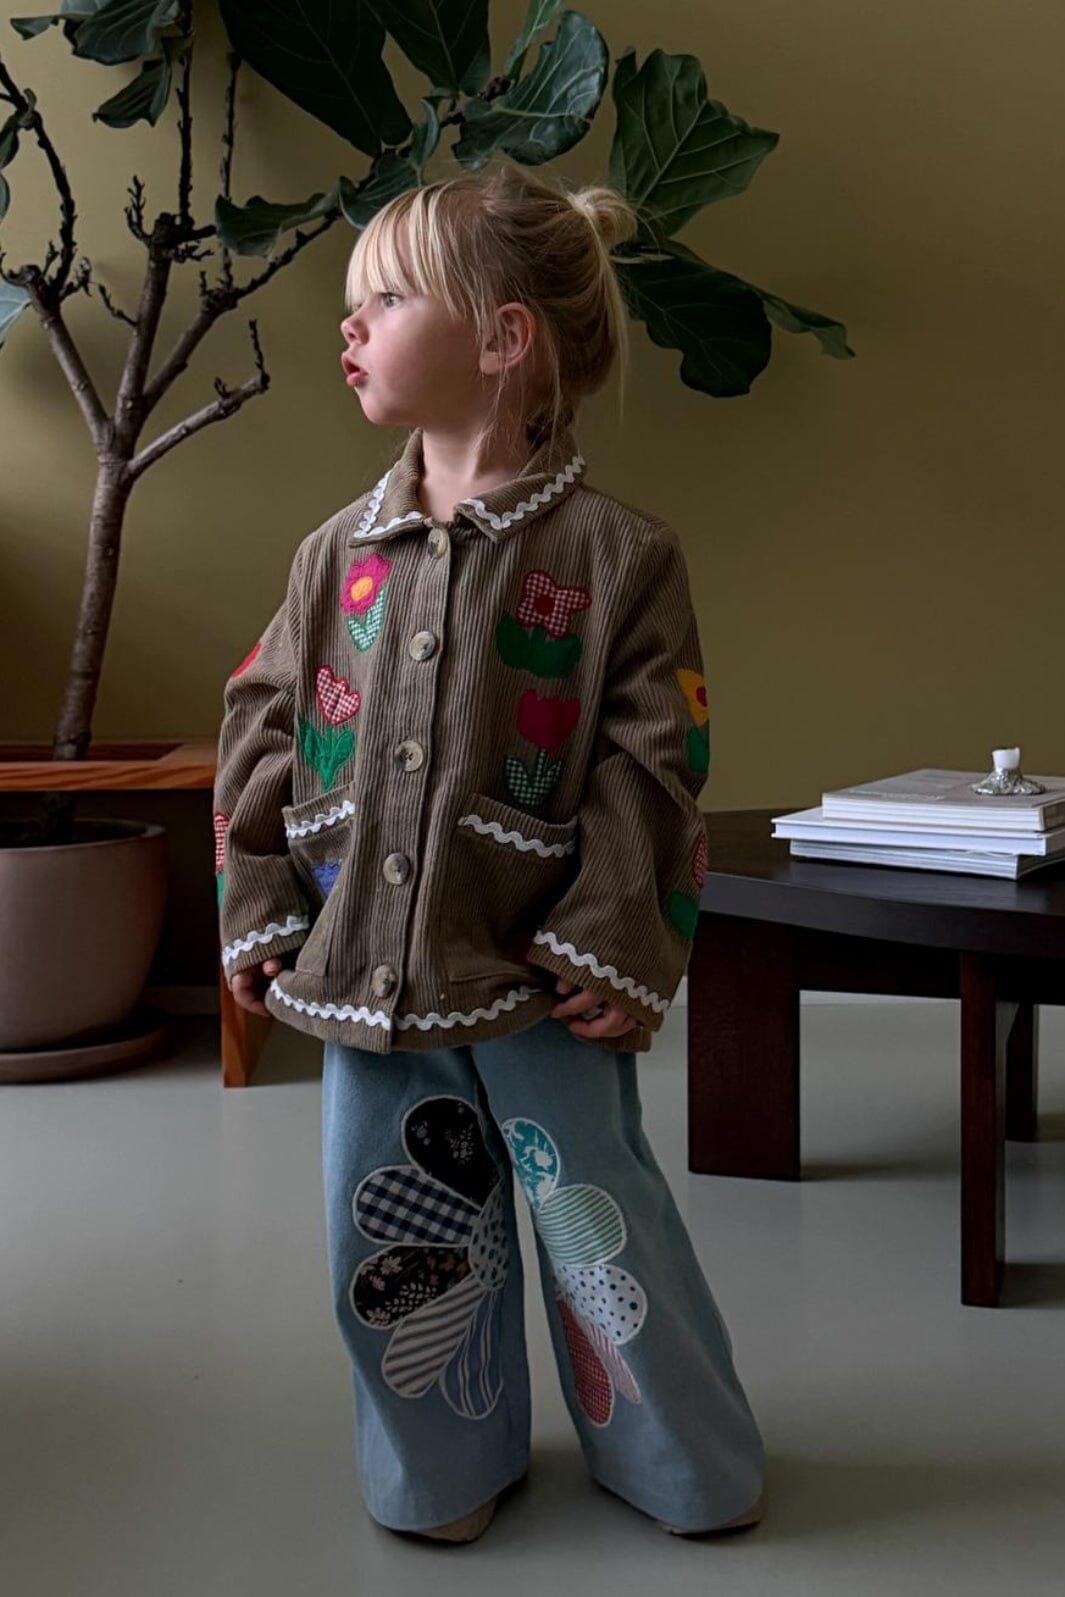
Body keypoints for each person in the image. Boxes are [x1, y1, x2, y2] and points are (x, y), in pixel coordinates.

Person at [213, 159, 766, 1545]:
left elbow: (655, 761)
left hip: (536, 970)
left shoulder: (620, 558)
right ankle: (440, 1468)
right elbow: (263, 726)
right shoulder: (333, 556)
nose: (349, 327)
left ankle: (678, 1456)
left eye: (385, 300)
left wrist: (616, 937)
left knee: (597, 1222)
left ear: (505, 337)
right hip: (363, 966)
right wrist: (262, 903)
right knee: (397, 1235)